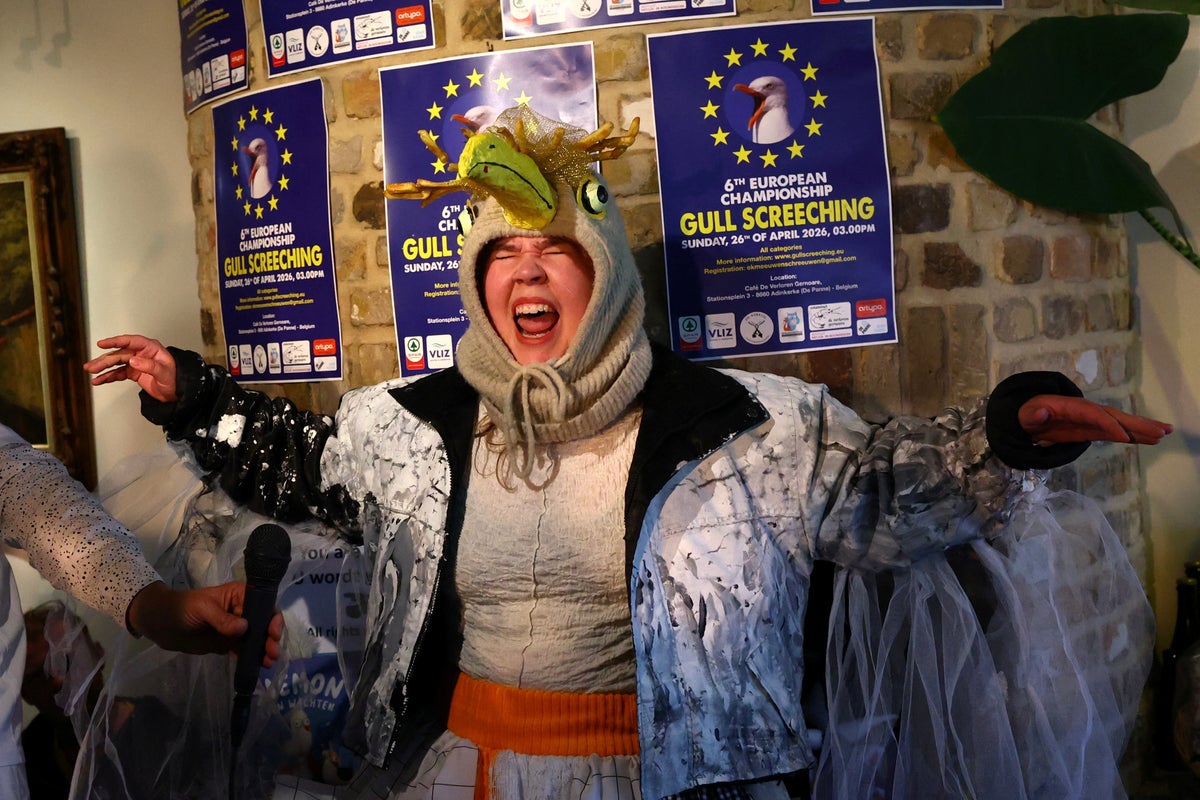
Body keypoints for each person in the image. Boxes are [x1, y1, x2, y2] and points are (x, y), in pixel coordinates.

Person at [85, 106, 1171, 800]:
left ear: (602, 272)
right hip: (461, 770)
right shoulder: (413, 425)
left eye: (553, 249)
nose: (525, 272)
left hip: (664, 780)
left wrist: (1007, 432)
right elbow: (301, 464)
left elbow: (888, 496)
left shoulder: (747, 426)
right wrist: (198, 397)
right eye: (502, 254)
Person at [0, 422, 284, 800]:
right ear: (21, 690)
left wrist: (154, 605)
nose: (58, 681)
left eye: (64, 661)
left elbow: (32, 496)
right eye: (38, 673)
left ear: (98, 651)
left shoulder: (168, 731)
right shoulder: (37, 753)